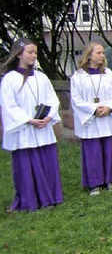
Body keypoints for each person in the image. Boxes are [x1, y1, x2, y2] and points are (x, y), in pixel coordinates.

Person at [0, 38, 63, 211]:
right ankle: (30, 200)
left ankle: (50, 197)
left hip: (42, 127)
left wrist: (48, 117)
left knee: (46, 162)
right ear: (19, 54)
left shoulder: (41, 77)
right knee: (27, 165)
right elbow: (8, 105)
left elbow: (52, 99)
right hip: (25, 130)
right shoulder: (10, 79)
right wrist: (28, 120)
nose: (34, 55)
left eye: (35, 52)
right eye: (30, 52)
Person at [70, 42, 112, 196]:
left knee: (108, 149)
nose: (102, 56)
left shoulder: (108, 74)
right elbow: (76, 99)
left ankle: (109, 180)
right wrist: (93, 109)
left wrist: (109, 108)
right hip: (91, 119)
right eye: (99, 53)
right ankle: (94, 183)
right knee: (93, 151)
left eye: (102, 53)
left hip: (106, 118)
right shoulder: (79, 77)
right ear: (89, 55)